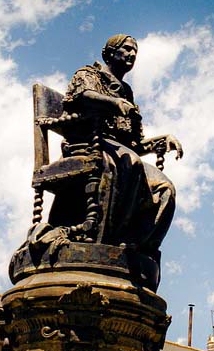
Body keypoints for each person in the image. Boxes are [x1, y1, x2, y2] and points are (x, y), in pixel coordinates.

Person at [47, 34, 183, 256]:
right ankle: (105, 239)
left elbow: (134, 144)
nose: (132, 55)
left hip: (122, 153)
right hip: (89, 145)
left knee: (165, 188)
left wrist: (161, 140)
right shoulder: (88, 74)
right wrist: (113, 103)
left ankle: (135, 247)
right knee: (131, 164)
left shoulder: (127, 92)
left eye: (135, 52)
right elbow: (83, 95)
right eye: (127, 49)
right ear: (110, 52)